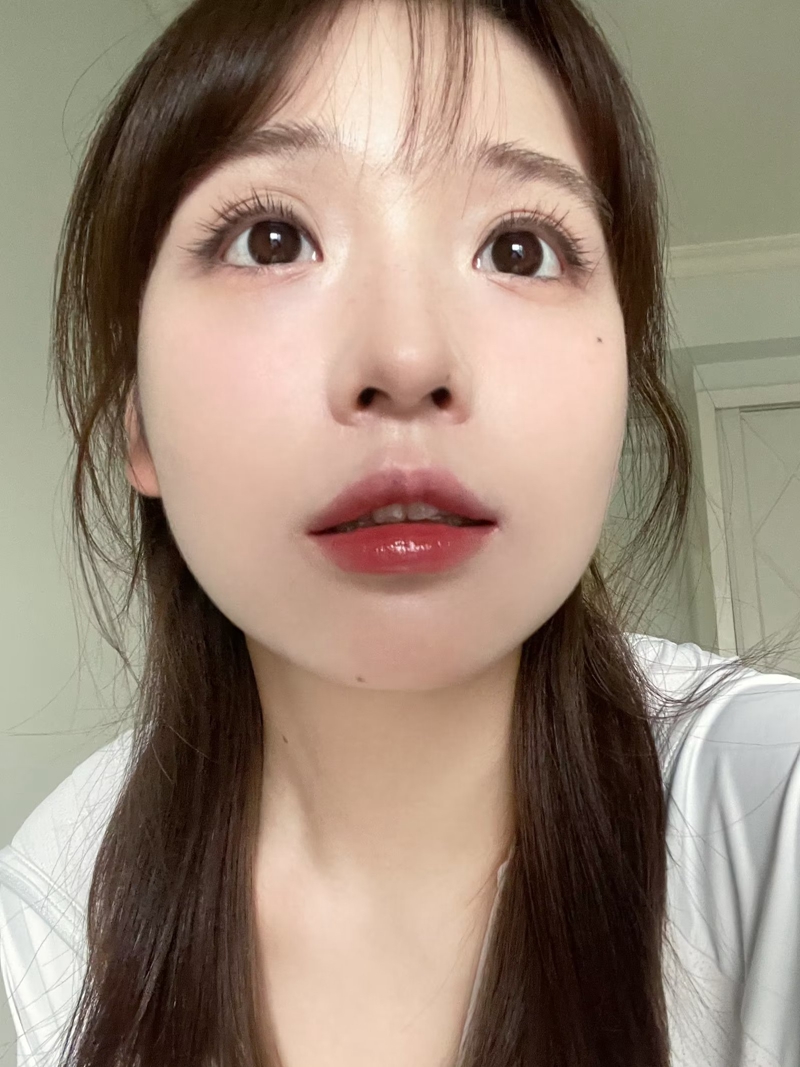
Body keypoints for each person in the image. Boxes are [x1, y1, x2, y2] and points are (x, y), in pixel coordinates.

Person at [1, 0, 798, 1064]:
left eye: (518, 247)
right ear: (136, 420)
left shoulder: (765, 809)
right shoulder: (52, 922)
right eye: (271, 238)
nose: (409, 356)